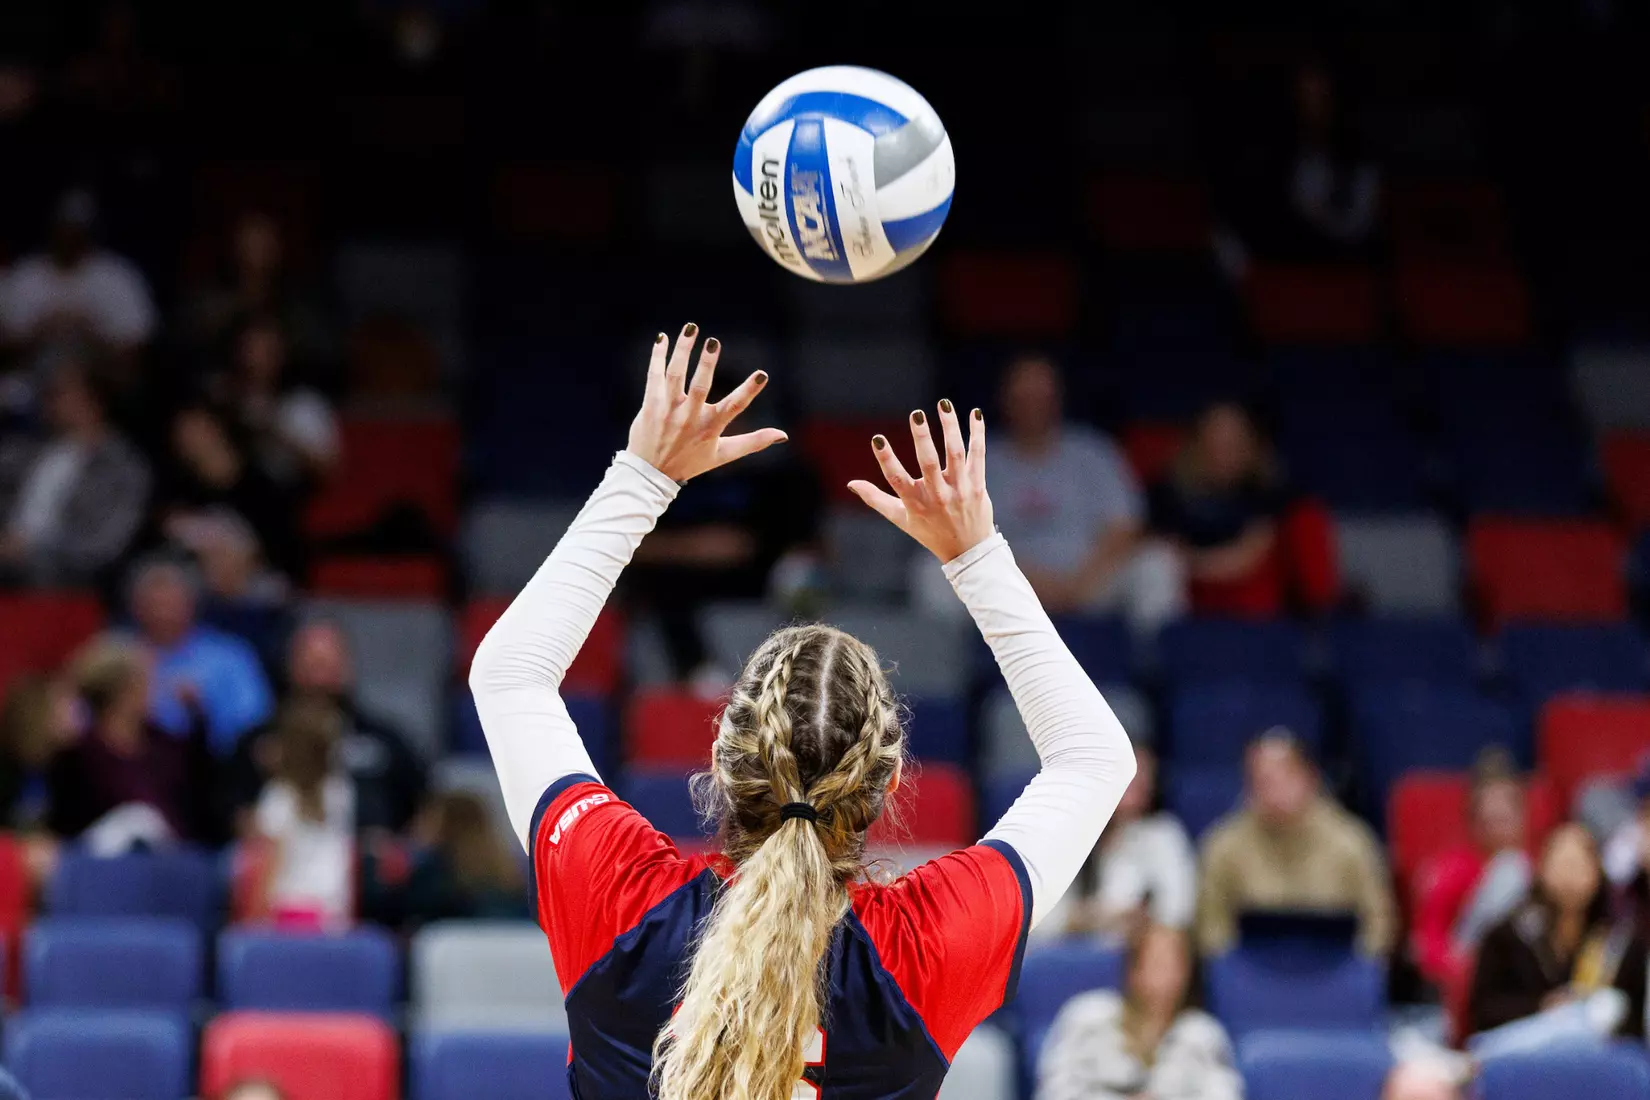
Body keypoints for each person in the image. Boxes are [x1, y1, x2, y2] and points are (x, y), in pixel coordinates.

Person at [470, 326, 1135, 1099]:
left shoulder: (625, 901)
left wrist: (644, 476)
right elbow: (1096, 757)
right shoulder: (924, 949)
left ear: (722, 758)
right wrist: (975, 554)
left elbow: (511, 674)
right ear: (887, 785)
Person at [979, 355, 1184, 633]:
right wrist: (1029, 583)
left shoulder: (1093, 451)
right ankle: (948, 673)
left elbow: (1124, 528)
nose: (1032, 406)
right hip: (1008, 589)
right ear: (1004, 400)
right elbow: (966, 540)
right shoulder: (978, 458)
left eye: (1041, 396)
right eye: (1023, 397)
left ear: (1057, 399)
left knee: (1158, 563)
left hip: (1090, 582)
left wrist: (1081, 582)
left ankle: (1153, 666)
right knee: (932, 574)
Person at [1197, 732, 1396, 957]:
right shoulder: (1223, 847)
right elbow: (1211, 927)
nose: (1275, 792)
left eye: (1285, 777)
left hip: (1334, 975)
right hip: (1252, 977)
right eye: (1263, 781)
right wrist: (1237, 972)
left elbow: (1379, 921)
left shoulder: (1351, 842)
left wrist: (1353, 970)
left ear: (1310, 778)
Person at [226, 619, 427, 834]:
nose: (319, 681)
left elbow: (423, 810)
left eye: (327, 667)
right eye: (311, 667)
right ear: (290, 668)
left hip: (369, 860)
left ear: (347, 669)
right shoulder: (256, 743)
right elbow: (229, 811)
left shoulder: (385, 742)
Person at [1467, 822, 1647, 1046]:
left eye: (1579, 865)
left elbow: (1636, 1022)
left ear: (1597, 872)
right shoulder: (1508, 935)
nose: (1569, 876)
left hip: (1598, 1062)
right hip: (1526, 1055)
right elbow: (1483, 1011)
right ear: (1541, 869)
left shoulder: (1621, 942)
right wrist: (1542, 1007)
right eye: (1562, 864)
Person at [1035, 924, 1242, 1100]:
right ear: (1133, 969)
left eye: (1177, 965)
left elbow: (1225, 1094)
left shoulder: (1202, 1035)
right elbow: (1053, 1091)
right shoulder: (1088, 1017)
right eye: (1158, 963)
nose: (1169, 975)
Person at [46, 637, 212, 848]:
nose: (153, 691)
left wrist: (196, 716)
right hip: (100, 864)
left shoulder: (164, 744)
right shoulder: (79, 753)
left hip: (171, 860)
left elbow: (199, 789)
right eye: (145, 683)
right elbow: (65, 822)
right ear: (123, 691)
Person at [0, 361, 149, 584]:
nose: (50, 402)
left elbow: (106, 544)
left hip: (62, 577)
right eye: (50, 394)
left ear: (93, 402)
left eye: (61, 394)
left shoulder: (123, 467)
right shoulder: (23, 451)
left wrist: (30, 551)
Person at [1152, 402, 1293, 617]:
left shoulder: (1264, 491)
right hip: (1182, 599)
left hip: (1246, 605)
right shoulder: (1171, 491)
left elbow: (1251, 553)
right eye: (1215, 440)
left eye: (1232, 442)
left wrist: (1196, 565)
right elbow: (1166, 551)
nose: (1222, 451)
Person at [1411, 749, 1532, 992]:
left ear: (1521, 817)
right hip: (1471, 980)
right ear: (1474, 821)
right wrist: (1463, 972)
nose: (1497, 829)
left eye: (1504, 818)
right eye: (1490, 820)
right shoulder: (1451, 871)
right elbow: (1428, 942)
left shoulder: (1541, 868)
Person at [127, 556, 274, 755]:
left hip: (216, 769)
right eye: (154, 604)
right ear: (136, 608)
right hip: (132, 770)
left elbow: (253, 726)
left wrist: (202, 710)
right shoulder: (118, 657)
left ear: (191, 604)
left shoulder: (231, 655)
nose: (162, 614)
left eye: (171, 604)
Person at [1049, 745, 1197, 941]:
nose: (1135, 781)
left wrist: (1141, 921)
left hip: (1139, 955)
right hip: (1074, 954)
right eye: (1126, 772)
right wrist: (1088, 918)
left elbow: (1178, 911)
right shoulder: (1072, 833)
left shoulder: (1164, 835)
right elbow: (1044, 920)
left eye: (1143, 775)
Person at [0, 189, 156, 356]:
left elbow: (138, 346)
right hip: (30, 374)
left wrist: (88, 332)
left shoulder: (118, 275)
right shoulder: (25, 275)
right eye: (65, 227)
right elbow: (6, 344)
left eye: (76, 228)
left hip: (99, 374)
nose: (69, 236)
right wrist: (42, 332)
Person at [161, 401, 302, 579]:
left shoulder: (262, 485)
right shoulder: (181, 492)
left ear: (216, 427)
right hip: (200, 584)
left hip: (259, 581)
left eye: (196, 429)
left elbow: (285, 549)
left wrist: (245, 562)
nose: (189, 439)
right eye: (181, 434)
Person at [247, 696, 354, 930]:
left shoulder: (278, 796)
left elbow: (269, 863)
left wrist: (253, 923)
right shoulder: (342, 792)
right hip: (332, 915)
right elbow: (347, 861)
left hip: (287, 913)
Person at [212, 314, 338, 493]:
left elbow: (327, 470)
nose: (253, 360)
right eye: (248, 349)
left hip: (287, 499)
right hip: (229, 496)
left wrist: (271, 428)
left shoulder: (304, 405)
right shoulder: (219, 396)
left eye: (266, 351)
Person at [400, 790, 530, 925]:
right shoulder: (512, 877)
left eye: (427, 819)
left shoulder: (434, 875)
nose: (417, 826)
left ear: (442, 826)